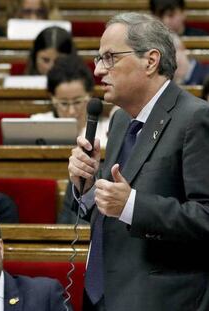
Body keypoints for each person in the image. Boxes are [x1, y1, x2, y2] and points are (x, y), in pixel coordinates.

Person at [67, 12, 209, 311]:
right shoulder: (120, 121)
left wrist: (132, 205)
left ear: (151, 60)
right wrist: (89, 185)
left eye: (109, 58)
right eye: (97, 58)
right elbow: (112, 205)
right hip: (106, 294)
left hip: (162, 300)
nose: (97, 70)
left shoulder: (195, 118)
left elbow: (205, 216)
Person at [31, 55, 110, 145]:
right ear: (52, 98)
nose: (71, 111)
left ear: (90, 95)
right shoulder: (37, 125)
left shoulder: (108, 131)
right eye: (64, 103)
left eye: (77, 102)